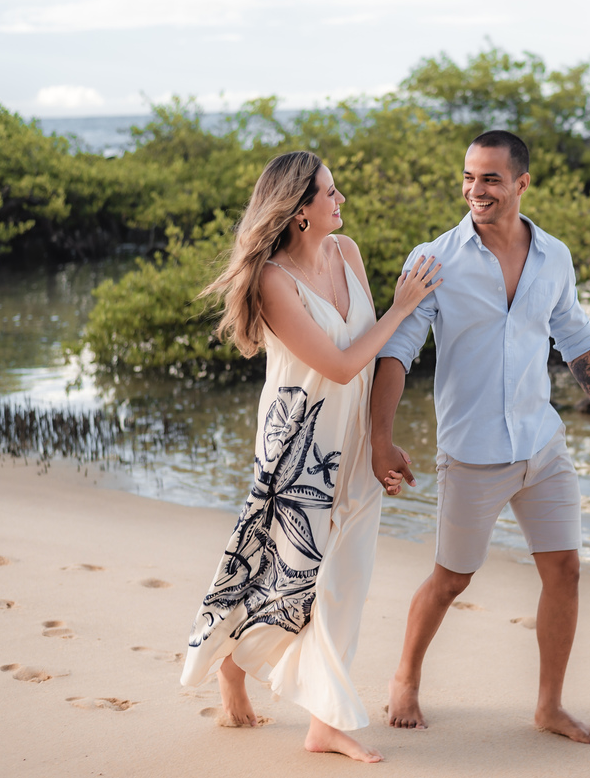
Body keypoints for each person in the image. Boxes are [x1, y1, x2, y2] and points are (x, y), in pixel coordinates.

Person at [370, 130, 590, 746]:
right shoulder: (432, 259)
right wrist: (381, 438)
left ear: (521, 183)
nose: (475, 189)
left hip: (542, 445)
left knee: (565, 570)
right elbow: (397, 353)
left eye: (489, 178)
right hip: (472, 452)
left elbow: (573, 333)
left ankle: (549, 706)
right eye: (468, 177)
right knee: (452, 579)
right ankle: (405, 677)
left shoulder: (554, 256)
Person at [180, 151, 441, 763]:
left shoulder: (346, 253)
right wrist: (404, 307)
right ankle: (233, 666)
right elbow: (341, 362)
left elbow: (370, 361)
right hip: (299, 440)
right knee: (289, 572)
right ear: (299, 212)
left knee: (349, 572)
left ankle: (320, 718)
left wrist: (382, 439)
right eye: (329, 191)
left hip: (353, 433)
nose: (340, 198)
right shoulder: (273, 281)